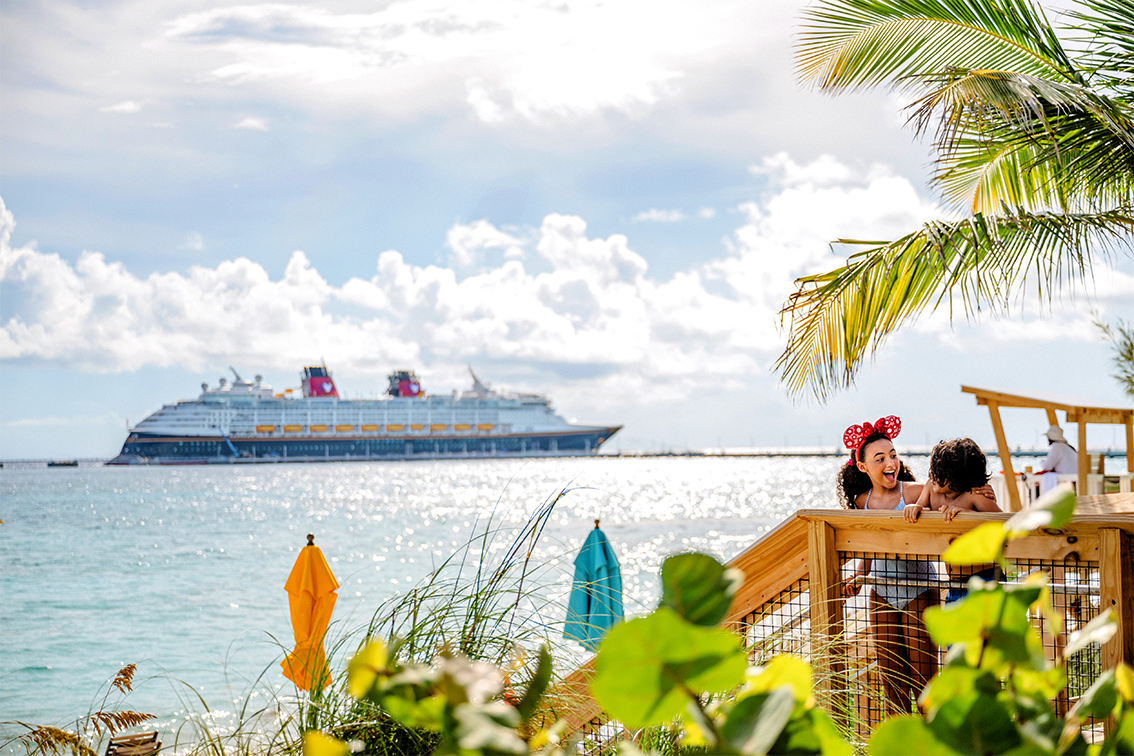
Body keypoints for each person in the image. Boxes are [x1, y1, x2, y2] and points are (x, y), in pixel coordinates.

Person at [838, 416, 938, 715]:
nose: (889, 462)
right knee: (892, 682)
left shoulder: (912, 492)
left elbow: (943, 491)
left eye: (893, 455)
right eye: (879, 458)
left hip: (919, 589)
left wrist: (978, 495)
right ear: (864, 467)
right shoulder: (861, 502)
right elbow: (868, 551)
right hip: (880, 592)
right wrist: (857, 576)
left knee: (924, 682)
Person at [905, 438, 1002, 602]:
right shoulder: (931, 488)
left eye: (940, 472)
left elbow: (1004, 523)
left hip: (986, 579)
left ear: (959, 476)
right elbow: (919, 509)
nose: (933, 475)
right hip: (954, 583)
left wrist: (970, 516)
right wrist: (913, 508)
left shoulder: (975, 494)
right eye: (933, 469)